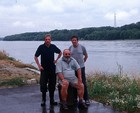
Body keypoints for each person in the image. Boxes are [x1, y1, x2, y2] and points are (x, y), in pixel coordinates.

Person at [34, 34, 62, 106]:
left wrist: (56, 60)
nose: (47, 40)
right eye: (46, 39)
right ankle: (43, 100)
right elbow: (35, 56)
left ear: (50, 40)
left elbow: (60, 52)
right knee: (43, 85)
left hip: (52, 68)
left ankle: (52, 100)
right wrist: (39, 65)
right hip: (44, 69)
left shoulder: (53, 46)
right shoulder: (41, 47)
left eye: (49, 39)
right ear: (44, 40)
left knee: (52, 85)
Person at [69, 35, 90, 105]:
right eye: (73, 40)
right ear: (71, 41)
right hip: (73, 68)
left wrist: (83, 62)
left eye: (75, 40)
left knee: (83, 83)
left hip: (81, 68)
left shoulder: (82, 47)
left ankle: (86, 99)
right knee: (74, 83)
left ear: (77, 41)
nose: (74, 41)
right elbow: (68, 57)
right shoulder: (70, 48)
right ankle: (75, 98)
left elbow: (86, 56)